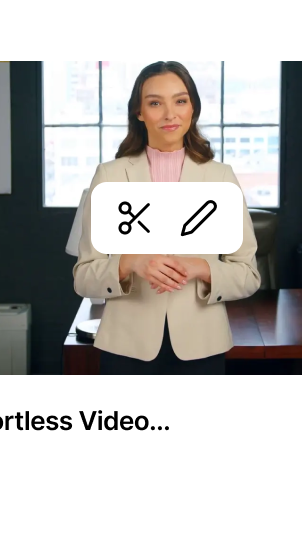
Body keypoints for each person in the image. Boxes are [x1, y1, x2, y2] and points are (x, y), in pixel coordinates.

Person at [72, 61, 261, 375]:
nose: (170, 114)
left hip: (202, 347)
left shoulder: (221, 178)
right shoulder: (110, 176)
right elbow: (83, 277)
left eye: (181, 100)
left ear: (193, 109)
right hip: (126, 348)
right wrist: (130, 262)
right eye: (155, 103)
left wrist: (199, 267)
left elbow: (248, 275)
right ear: (139, 112)